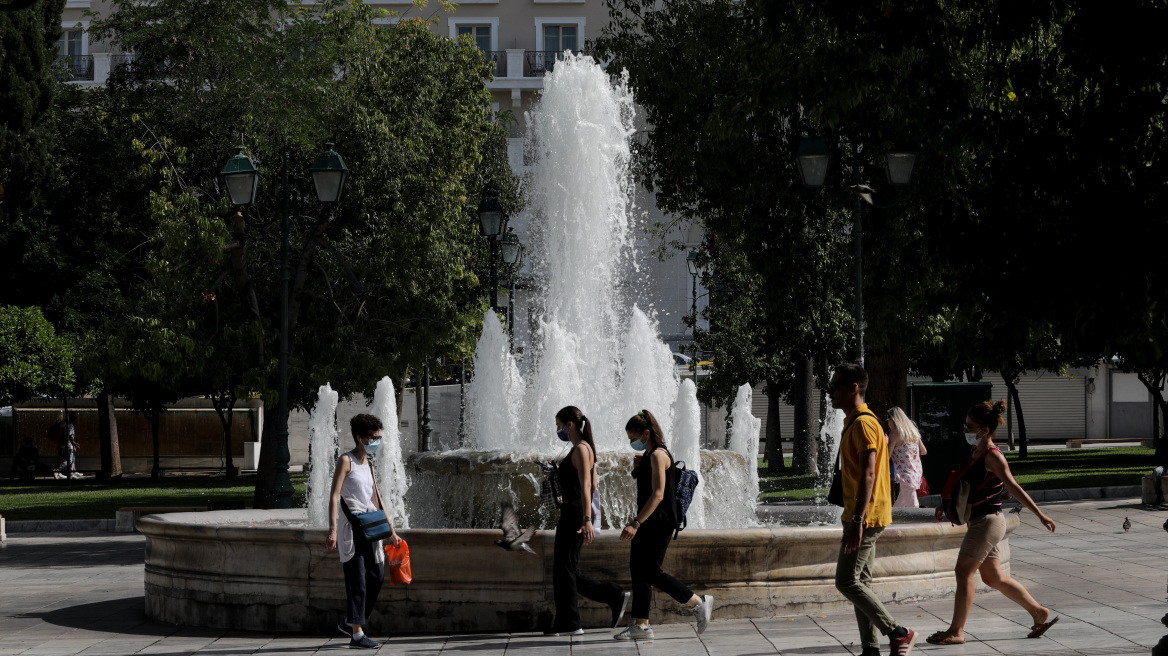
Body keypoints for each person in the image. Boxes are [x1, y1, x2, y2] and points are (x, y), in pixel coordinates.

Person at [927, 400, 1058, 645]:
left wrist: (1040, 515)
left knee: (963, 571)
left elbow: (1014, 487)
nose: (965, 431)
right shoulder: (976, 453)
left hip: (987, 523)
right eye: (965, 426)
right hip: (984, 521)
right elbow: (966, 488)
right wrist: (943, 506)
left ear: (984, 429)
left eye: (969, 427)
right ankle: (1038, 612)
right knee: (993, 577)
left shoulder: (993, 457)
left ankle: (957, 631)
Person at [829, 364, 919, 656]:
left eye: (835, 386)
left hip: (865, 516)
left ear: (853, 387)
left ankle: (898, 632)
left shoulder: (864, 424)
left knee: (846, 581)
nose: (831, 392)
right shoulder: (855, 421)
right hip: (863, 514)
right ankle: (870, 648)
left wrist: (857, 519)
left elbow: (869, 474)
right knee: (862, 581)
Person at [615, 409, 714, 641]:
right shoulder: (650, 455)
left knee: (651, 571)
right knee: (638, 570)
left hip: (659, 521)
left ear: (646, 433)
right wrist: (641, 466)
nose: (631, 443)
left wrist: (636, 523)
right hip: (649, 519)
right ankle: (641, 625)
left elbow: (658, 495)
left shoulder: (659, 455)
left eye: (633, 438)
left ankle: (698, 602)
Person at [546, 406, 630, 637]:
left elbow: (587, 486)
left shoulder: (582, 449)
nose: (558, 430)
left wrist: (586, 519)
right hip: (573, 512)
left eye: (559, 425)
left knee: (564, 568)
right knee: (566, 568)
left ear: (569, 425)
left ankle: (572, 623)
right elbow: (591, 483)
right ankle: (609, 597)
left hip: (575, 514)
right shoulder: (582, 448)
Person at [325, 413, 401, 650]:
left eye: (378, 437)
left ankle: (351, 621)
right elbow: (335, 495)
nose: (377, 441)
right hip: (351, 527)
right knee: (356, 579)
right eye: (373, 437)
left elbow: (377, 498)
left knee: (377, 576)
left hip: (370, 525)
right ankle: (357, 634)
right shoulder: (346, 460)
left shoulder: (370, 464)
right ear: (359, 437)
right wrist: (332, 530)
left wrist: (391, 530)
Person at [887, 407, 927, 508]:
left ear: (892, 420)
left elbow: (887, 455)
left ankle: (917, 522)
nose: (888, 423)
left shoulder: (895, 433)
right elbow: (924, 451)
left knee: (913, 504)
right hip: (916, 471)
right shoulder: (913, 431)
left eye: (888, 420)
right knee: (902, 501)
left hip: (904, 472)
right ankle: (893, 520)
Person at [50, 412, 82, 480]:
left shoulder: (63, 423)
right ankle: (57, 470)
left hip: (64, 444)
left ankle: (71, 473)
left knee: (72, 459)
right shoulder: (70, 425)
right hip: (68, 445)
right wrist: (74, 444)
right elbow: (70, 436)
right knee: (69, 460)